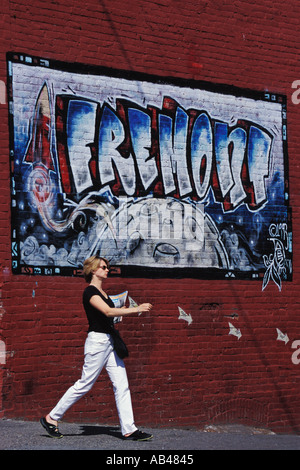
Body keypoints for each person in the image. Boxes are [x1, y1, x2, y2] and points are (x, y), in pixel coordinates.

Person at [40, 255, 153, 441]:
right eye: (103, 267)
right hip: (98, 342)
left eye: (107, 267)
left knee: (122, 385)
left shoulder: (104, 294)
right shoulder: (89, 292)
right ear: (93, 270)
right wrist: (136, 309)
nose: (107, 269)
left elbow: (109, 315)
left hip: (110, 342)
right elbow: (108, 311)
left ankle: (129, 429)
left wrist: (119, 314)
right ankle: (51, 418)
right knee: (85, 384)